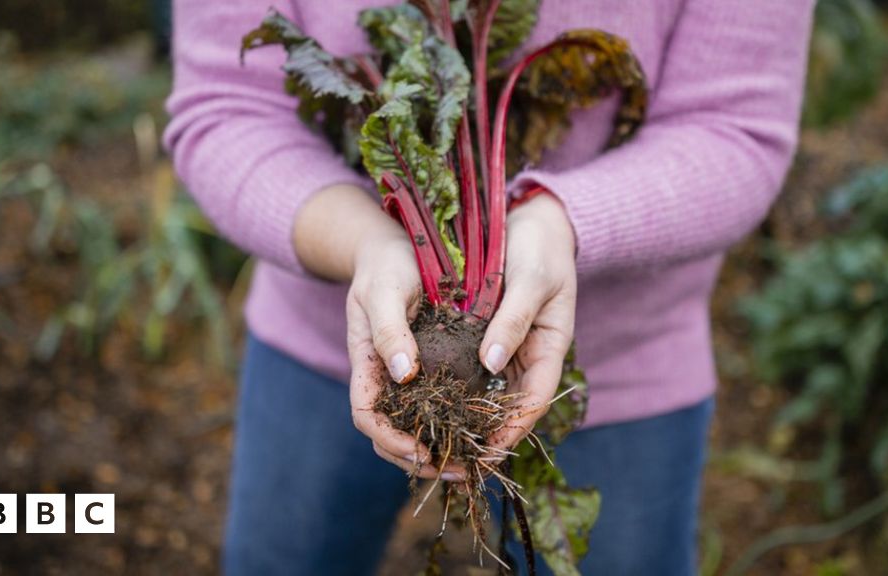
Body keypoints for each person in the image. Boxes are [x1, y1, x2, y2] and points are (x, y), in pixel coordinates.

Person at [164, 1, 813, 574]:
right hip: (322, 344)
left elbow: (738, 132)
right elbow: (227, 108)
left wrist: (560, 221)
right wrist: (368, 241)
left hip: (624, 374)